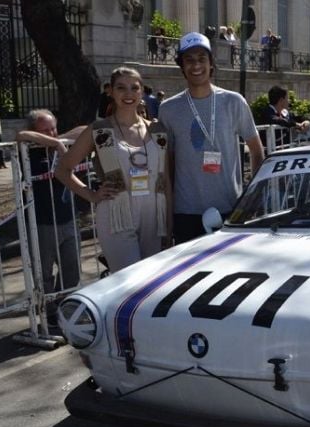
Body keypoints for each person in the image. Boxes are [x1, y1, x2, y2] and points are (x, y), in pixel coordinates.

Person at [56, 67, 172, 274]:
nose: (128, 94)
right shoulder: (99, 130)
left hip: (154, 214)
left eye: (134, 88)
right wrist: (91, 195)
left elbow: (166, 179)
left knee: (151, 281)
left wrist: (170, 224)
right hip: (116, 214)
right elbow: (63, 170)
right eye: (121, 88)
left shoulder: (157, 130)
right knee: (130, 280)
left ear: (142, 92)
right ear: (110, 91)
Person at [158, 32, 264, 244]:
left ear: (211, 63)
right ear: (181, 66)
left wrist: (253, 198)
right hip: (186, 212)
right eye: (189, 60)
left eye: (201, 58)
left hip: (231, 209)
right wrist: (168, 214)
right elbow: (166, 164)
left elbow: (256, 149)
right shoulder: (168, 109)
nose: (196, 65)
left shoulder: (234, 102)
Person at [16, 109, 85, 295]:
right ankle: (47, 312)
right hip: (41, 222)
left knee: (72, 267)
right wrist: (54, 142)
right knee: (43, 271)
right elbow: (21, 135)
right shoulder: (29, 151)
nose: (51, 133)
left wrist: (58, 140)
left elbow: (85, 129)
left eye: (53, 128)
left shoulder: (63, 145)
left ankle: (64, 304)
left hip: (68, 217)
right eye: (45, 131)